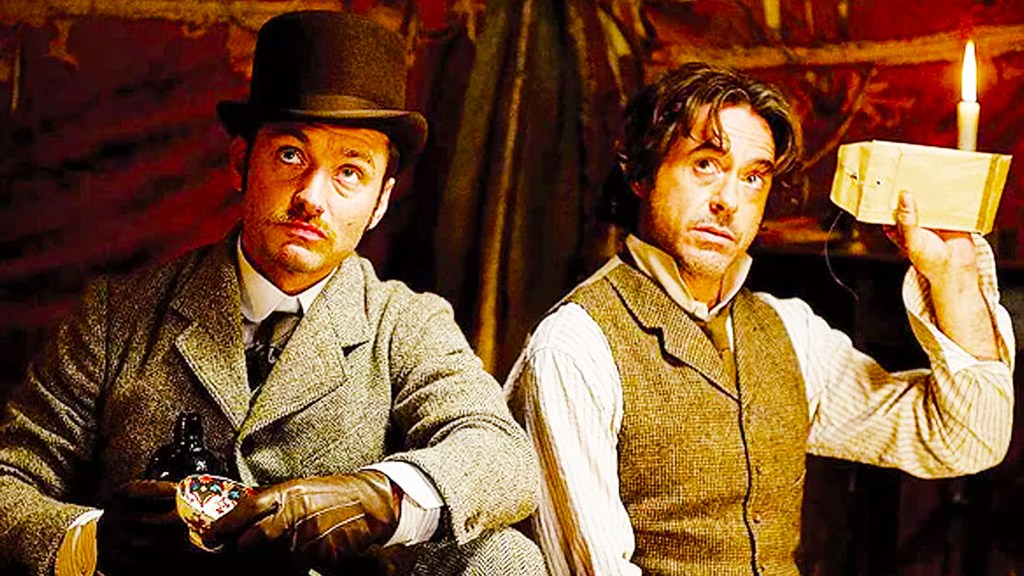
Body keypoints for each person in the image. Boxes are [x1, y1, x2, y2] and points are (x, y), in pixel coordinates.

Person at [0, 10, 545, 576]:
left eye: (349, 172)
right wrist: (94, 542)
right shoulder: (117, 316)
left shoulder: (406, 325)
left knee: (505, 557)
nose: (311, 197)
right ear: (242, 163)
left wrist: (378, 498)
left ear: (380, 202)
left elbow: (502, 455)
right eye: (291, 155)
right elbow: (9, 480)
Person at [505, 61, 1015, 575]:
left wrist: (952, 274)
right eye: (706, 164)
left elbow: (966, 439)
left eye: (752, 177)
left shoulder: (788, 332)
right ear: (641, 174)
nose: (729, 201)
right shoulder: (575, 346)